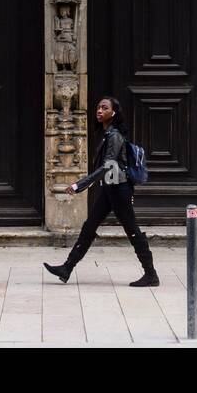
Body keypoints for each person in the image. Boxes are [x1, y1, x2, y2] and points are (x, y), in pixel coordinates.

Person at [45, 96, 158, 287]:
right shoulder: (108, 133)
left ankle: (151, 274)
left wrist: (78, 185)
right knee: (89, 227)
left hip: (120, 190)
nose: (99, 110)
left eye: (104, 108)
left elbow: (108, 166)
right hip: (110, 189)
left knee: (132, 231)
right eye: (98, 107)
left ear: (113, 113)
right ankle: (67, 268)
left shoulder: (114, 135)